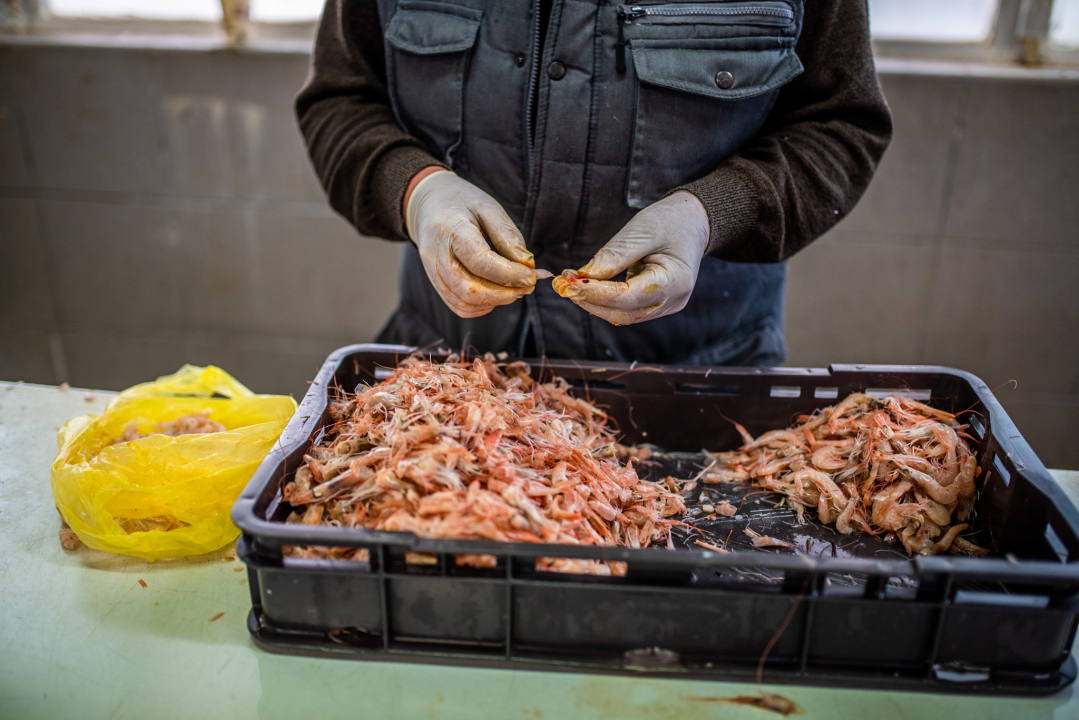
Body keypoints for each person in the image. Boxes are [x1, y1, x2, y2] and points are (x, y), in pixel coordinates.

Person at [297, 0, 892, 364]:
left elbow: (840, 125)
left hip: (692, 379)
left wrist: (710, 213)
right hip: (448, 357)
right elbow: (341, 99)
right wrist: (418, 189)